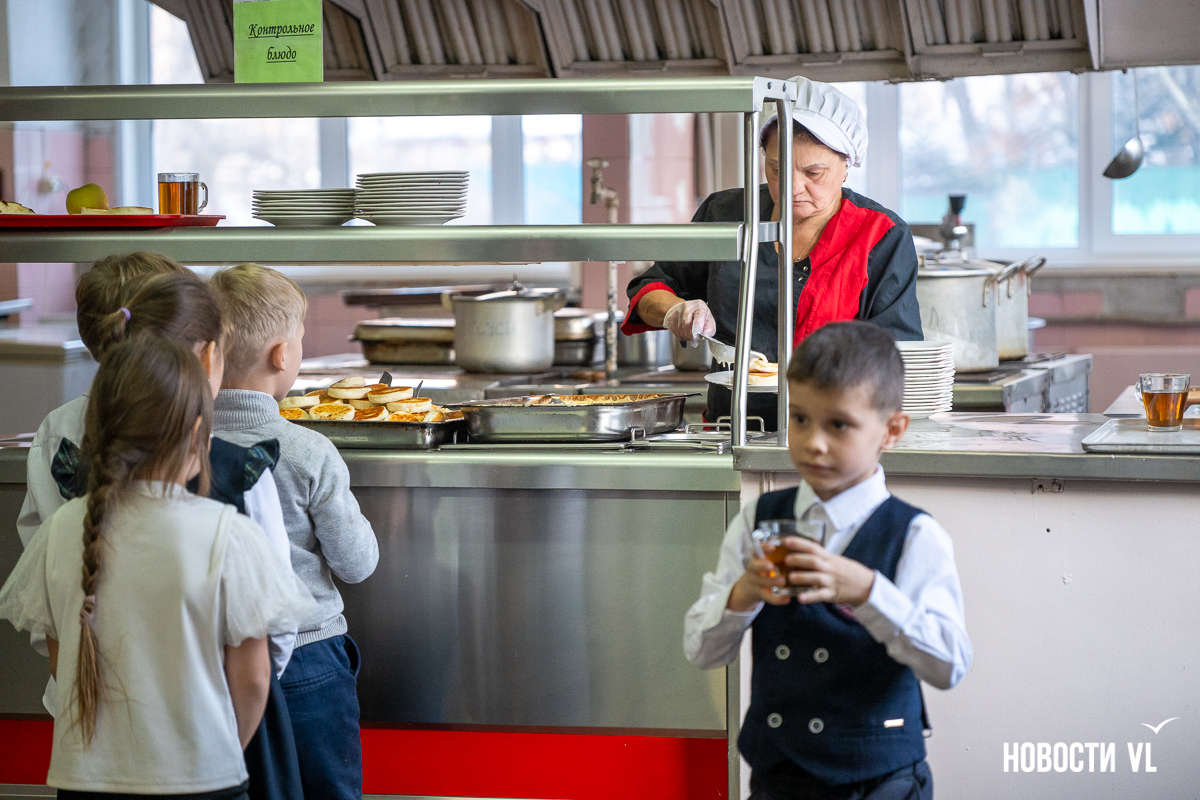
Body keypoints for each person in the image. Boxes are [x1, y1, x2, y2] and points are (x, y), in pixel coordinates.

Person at [0, 334, 315, 799]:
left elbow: (60, 661)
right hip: (202, 777)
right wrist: (225, 752)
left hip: (86, 780)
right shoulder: (228, 535)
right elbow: (253, 679)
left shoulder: (61, 529)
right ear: (198, 433)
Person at [684, 322, 971, 800]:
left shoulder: (914, 535)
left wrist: (869, 591)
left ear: (892, 430)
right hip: (779, 779)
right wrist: (743, 594)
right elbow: (701, 651)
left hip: (882, 783)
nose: (814, 442)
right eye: (799, 418)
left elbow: (950, 666)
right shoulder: (759, 520)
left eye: (838, 425)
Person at [623, 77, 923, 429]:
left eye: (813, 172)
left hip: (831, 435)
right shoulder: (725, 213)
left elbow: (897, 354)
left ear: (848, 163)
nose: (793, 187)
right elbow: (651, 288)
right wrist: (675, 310)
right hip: (729, 429)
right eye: (778, 169)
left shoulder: (881, 234)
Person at [208, 263, 379, 800]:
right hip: (307, 661)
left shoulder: (181, 445)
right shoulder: (308, 451)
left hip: (212, 660)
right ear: (282, 355)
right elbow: (357, 563)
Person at [14, 251, 184, 715]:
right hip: (179, 690)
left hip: (81, 675)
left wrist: (66, 656)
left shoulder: (58, 427)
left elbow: (42, 562)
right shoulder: (192, 423)